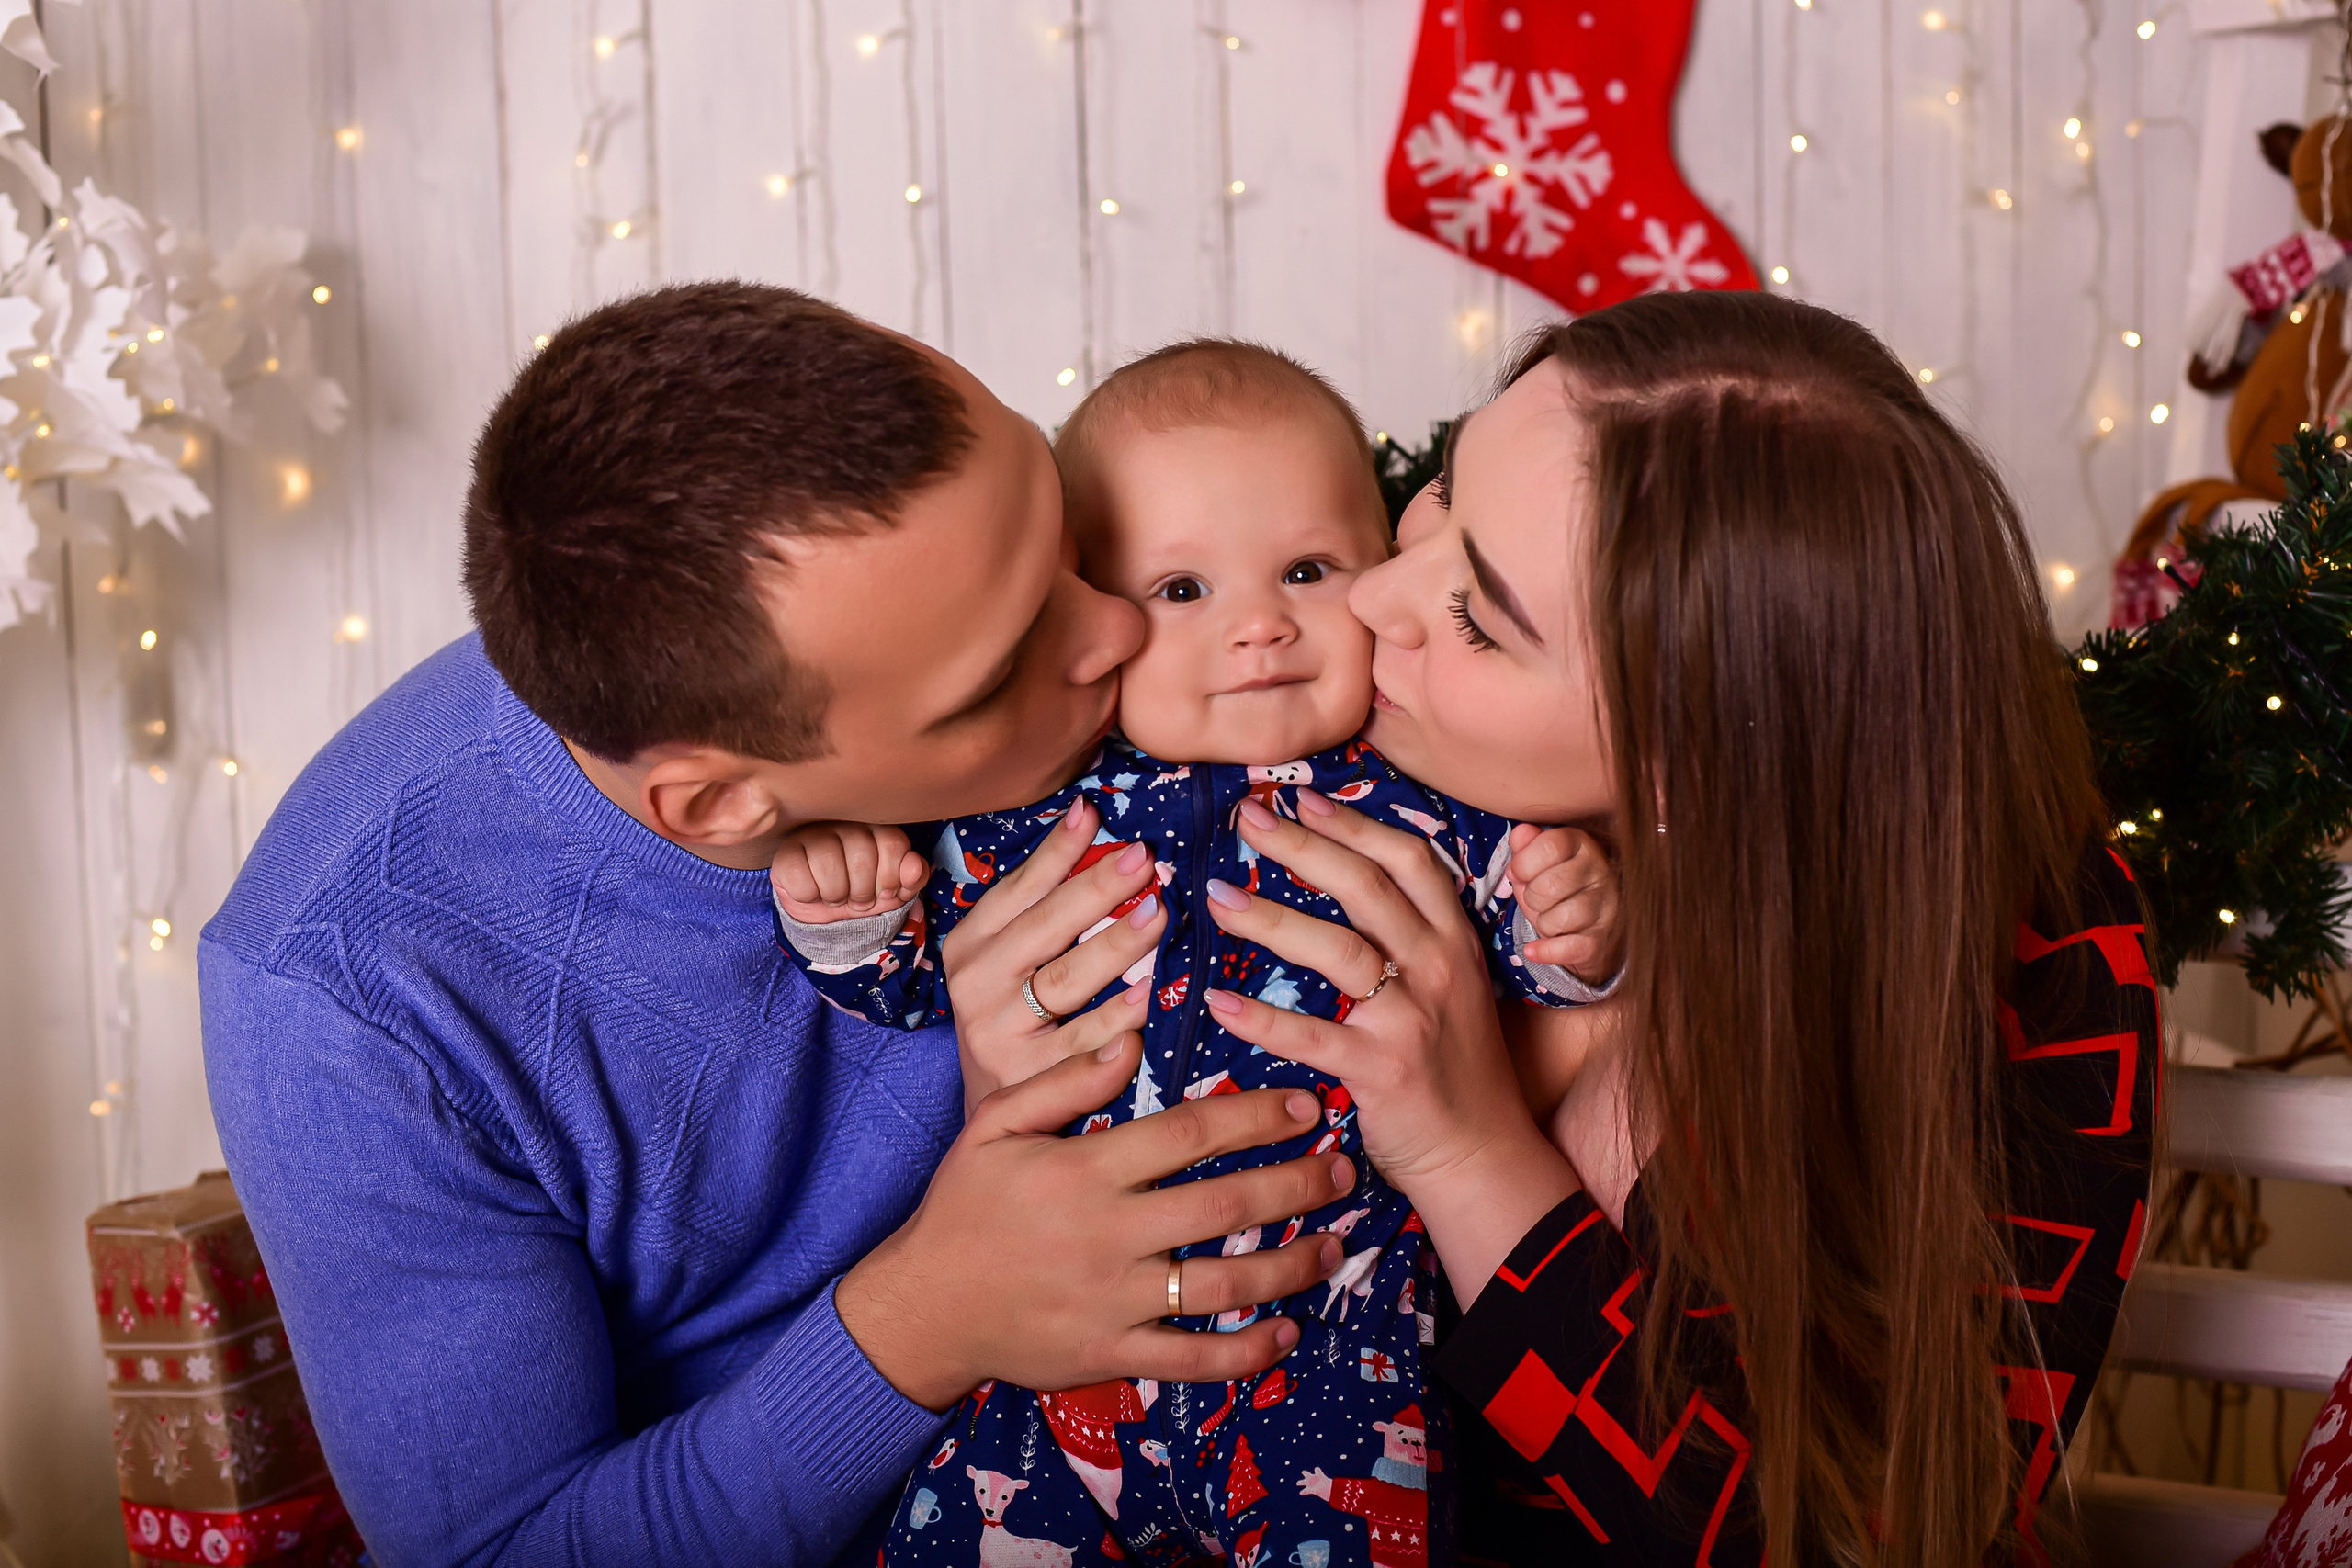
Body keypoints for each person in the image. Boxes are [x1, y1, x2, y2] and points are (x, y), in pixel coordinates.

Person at [198, 284, 1357, 1567]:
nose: (1121, 627)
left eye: (1070, 536)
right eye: (1000, 672)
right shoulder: (348, 999)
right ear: (723, 805)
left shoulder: (924, 576)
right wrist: (928, 1317)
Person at [1145, 292, 2157, 1564]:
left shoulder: (2044, 957)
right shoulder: (1267, 745)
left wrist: (1469, 1158)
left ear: (1691, 759)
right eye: (1442, 494)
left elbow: (1853, 1536)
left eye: (1477, 618)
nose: (1375, 595)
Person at [764, 341, 1624, 1567]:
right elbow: (908, 985)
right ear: (1092, 611)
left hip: (1331, 1341)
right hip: (1057, 1355)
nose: (1260, 625)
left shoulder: (1430, 800)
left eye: (1308, 571)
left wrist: (1571, 924)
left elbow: (1526, 962)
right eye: (1182, 590)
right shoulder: (1029, 812)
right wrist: (849, 917)